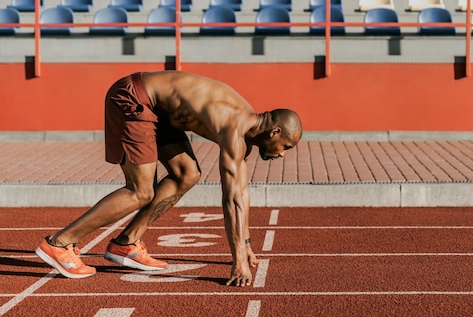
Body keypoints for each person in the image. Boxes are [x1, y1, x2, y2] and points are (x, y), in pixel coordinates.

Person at [35, 71, 302, 287]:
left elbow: (241, 192)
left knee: (188, 174)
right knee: (140, 192)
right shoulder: (235, 127)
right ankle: (58, 243)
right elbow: (231, 199)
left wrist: (245, 246)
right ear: (274, 132)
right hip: (135, 98)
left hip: (160, 113)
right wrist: (238, 261)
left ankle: (126, 244)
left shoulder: (246, 131)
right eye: (286, 147)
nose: (282, 154)